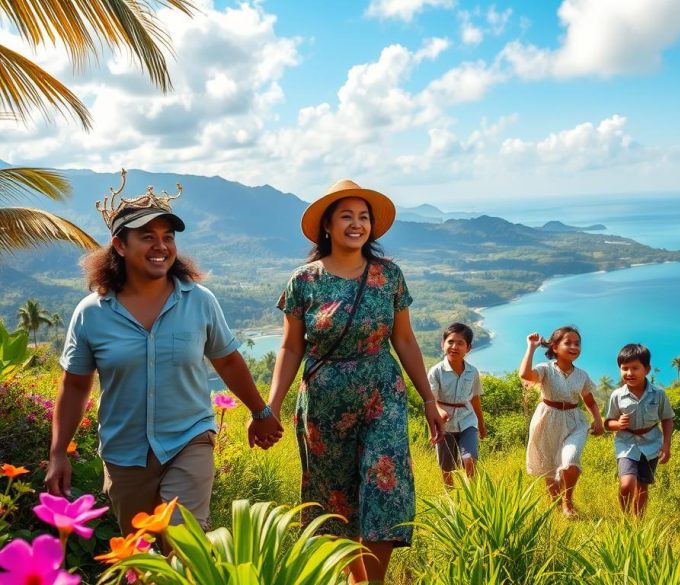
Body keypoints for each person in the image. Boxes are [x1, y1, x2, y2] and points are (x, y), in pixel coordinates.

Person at [45, 171, 282, 537]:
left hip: (189, 439)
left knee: (182, 537)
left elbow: (228, 360)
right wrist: (59, 453)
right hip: (125, 454)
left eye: (167, 237)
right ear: (120, 246)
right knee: (139, 551)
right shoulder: (92, 313)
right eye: (147, 237)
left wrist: (260, 411)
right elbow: (75, 386)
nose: (161, 246)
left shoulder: (199, 302)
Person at [267, 179, 447, 585]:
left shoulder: (389, 276)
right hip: (323, 405)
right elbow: (290, 349)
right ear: (327, 226)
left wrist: (429, 399)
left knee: (386, 489)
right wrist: (271, 407)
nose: (356, 224)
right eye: (346, 216)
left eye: (363, 217)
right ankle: (355, 577)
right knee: (336, 498)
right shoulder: (304, 281)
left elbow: (403, 339)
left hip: (382, 394)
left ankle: (375, 581)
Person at [519, 326, 603, 517]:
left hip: (574, 422)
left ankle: (568, 502)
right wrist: (531, 347)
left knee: (570, 460)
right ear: (555, 347)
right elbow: (525, 375)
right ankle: (556, 506)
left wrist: (598, 421)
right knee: (549, 466)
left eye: (577, 343)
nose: (574, 347)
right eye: (568, 343)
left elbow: (589, 401)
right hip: (547, 419)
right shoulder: (545, 370)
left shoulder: (582, 375)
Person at [604, 343, 674, 517]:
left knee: (643, 486)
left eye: (635, 368)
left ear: (647, 369)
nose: (629, 373)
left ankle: (639, 522)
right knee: (627, 484)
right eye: (624, 368)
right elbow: (608, 423)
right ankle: (626, 519)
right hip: (626, 443)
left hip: (651, 444)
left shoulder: (658, 394)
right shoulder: (617, 395)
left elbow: (667, 419)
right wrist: (618, 424)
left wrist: (666, 445)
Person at [427, 323, 486, 488]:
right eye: (450, 342)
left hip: (467, 421)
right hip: (444, 425)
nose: (454, 347)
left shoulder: (472, 372)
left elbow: (475, 399)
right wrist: (440, 412)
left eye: (460, 343)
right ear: (442, 344)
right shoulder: (436, 371)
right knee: (446, 466)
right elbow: (431, 400)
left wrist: (481, 425)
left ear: (468, 348)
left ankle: (472, 492)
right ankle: (451, 498)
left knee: (470, 457)